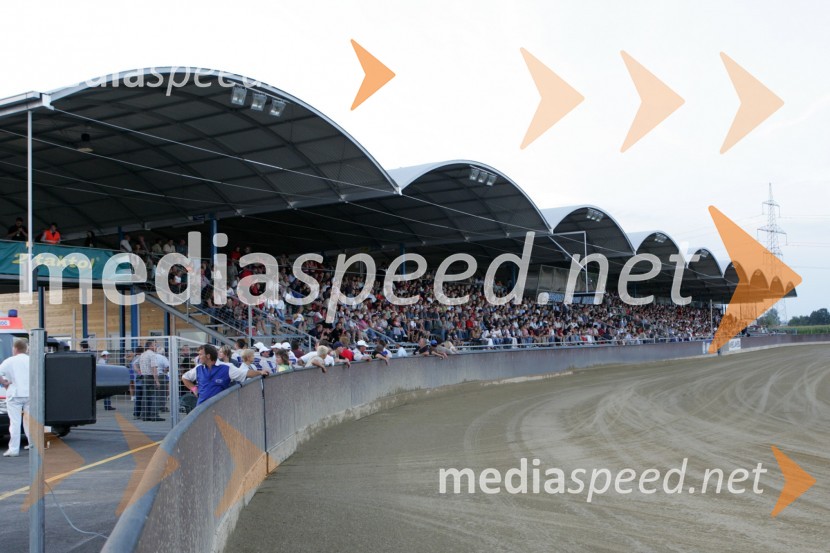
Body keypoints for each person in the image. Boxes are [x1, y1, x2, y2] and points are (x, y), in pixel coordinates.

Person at [181, 344, 269, 406]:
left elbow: (245, 373)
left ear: (208, 356)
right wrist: (194, 389)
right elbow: (185, 377)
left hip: (221, 408)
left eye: (200, 354)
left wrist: (260, 372)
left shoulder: (227, 367)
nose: (198, 357)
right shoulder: (198, 368)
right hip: (201, 409)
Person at [0, 339, 31, 457]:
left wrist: (4, 383)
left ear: (15, 349)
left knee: (15, 422)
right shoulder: (32, 360)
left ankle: (13, 449)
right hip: (30, 394)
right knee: (29, 422)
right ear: (26, 349)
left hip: (15, 395)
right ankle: (33, 444)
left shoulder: (10, 361)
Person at [136, 341, 162, 421]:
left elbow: (134, 364)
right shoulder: (152, 355)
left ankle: (145, 415)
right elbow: (154, 367)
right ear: (150, 346)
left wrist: (139, 371)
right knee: (154, 396)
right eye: (154, 345)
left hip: (144, 377)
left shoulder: (143, 354)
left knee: (145, 397)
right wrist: (157, 380)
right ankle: (154, 415)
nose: (156, 346)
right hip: (151, 377)